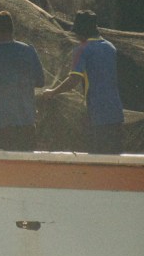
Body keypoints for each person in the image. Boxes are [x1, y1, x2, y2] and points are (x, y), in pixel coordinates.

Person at [42, 10, 124, 154]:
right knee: (114, 158)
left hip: (97, 114)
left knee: (96, 159)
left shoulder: (83, 49)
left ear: (82, 32)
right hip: (116, 113)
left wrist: (52, 92)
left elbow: (73, 80)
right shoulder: (110, 47)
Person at [0, 11, 45, 151]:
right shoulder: (28, 51)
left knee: (6, 160)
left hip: (2, 121)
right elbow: (40, 81)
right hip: (26, 118)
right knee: (27, 159)